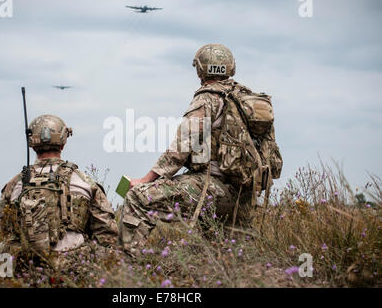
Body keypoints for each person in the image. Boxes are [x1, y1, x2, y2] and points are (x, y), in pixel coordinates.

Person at [118, 43, 283, 256]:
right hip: (245, 196)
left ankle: (128, 271)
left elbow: (181, 147)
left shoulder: (206, 98)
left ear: (200, 70)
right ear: (230, 68)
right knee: (227, 256)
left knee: (138, 198)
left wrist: (145, 180)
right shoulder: (249, 102)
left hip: (212, 191)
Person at [0, 114, 118, 267]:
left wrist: (7, 279)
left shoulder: (13, 185)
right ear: (63, 143)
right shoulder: (84, 182)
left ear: (32, 145)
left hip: (27, 269)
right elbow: (108, 236)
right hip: (73, 267)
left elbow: (7, 234)